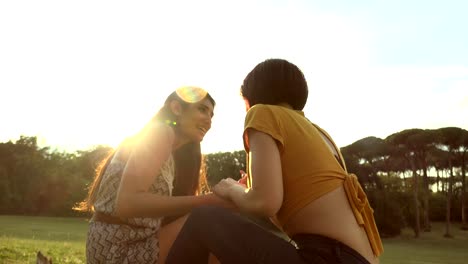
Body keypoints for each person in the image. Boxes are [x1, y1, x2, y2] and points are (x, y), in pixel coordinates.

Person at [166, 59, 384, 264]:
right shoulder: (319, 134)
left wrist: (232, 188)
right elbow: (284, 205)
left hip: (327, 257)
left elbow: (264, 202)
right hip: (353, 258)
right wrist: (250, 190)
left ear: (251, 98)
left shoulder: (262, 113)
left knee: (204, 219)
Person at [75, 86, 232, 263]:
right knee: (210, 219)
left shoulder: (172, 154)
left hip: (140, 241)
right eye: (202, 109)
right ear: (176, 108)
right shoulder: (159, 132)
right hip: (117, 248)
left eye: (212, 115)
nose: (209, 121)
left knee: (215, 225)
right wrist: (209, 201)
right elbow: (127, 203)